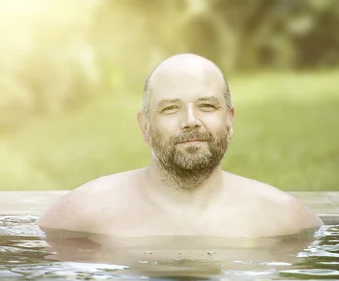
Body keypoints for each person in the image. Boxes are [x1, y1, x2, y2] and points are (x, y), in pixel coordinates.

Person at [38, 53, 322, 239]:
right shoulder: (82, 214)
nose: (190, 121)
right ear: (144, 126)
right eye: (171, 108)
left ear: (230, 120)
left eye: (207, 106)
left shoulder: (284, 219)